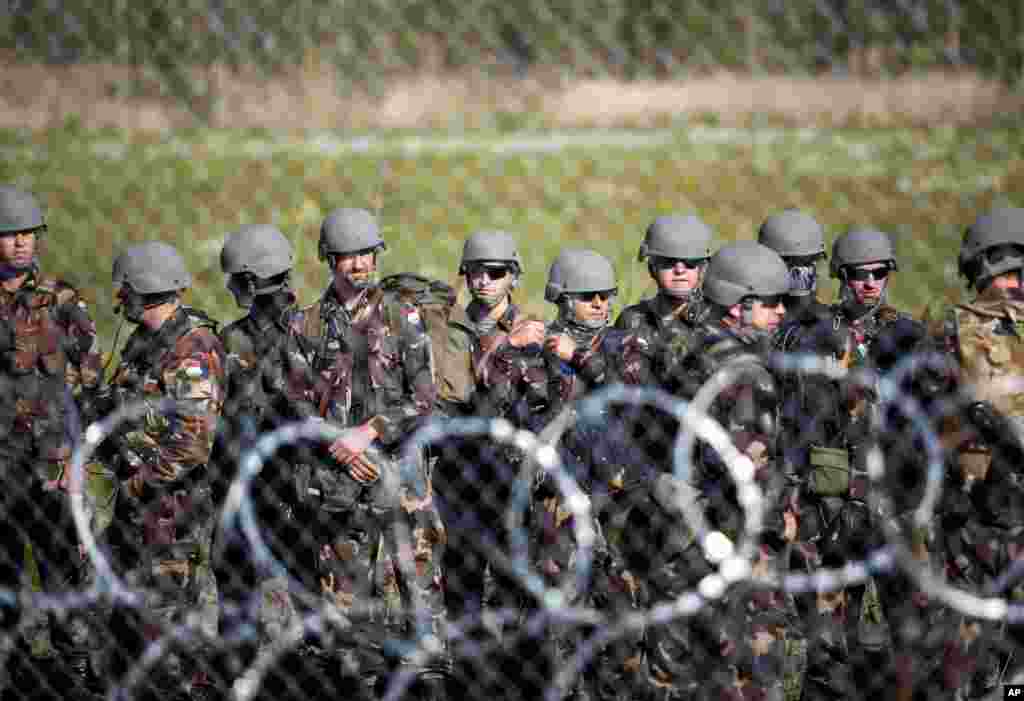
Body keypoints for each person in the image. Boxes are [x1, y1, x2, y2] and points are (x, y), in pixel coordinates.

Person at [293, 208, 444, 694]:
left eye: (365, 254)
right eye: (346, 256)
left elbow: (424, 397)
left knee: (416, 589)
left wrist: (370, 432)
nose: (358, 265)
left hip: (400, 478)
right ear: (328, 259)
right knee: (348, 605)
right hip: (337, 483)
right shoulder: (306, 325)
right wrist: (336, 443)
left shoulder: (403, 316)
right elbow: (295, 402)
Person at [100, 241, 226, 699]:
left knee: (172, 627)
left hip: (173, 513)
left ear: (139, 291)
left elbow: (193, 442)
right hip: (139, 510)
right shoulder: (144, 342)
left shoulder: (192, 347)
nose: (118, 300)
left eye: (123, 291)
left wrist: (138, 481)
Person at [0, 185, 104, 698]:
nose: (19, 244)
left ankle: (77, 673)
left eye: (26, 234)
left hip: (52, 465)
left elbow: (92, 383)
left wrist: (77, 456)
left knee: (64, 570)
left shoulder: (62, 301)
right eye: (8, 235)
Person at [213, 224, 319, 688]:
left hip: (272, 485)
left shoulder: (235, 340)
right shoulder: (315, 326)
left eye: (237, 280)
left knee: (250, 591)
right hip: (285, 485)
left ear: (252, 283)